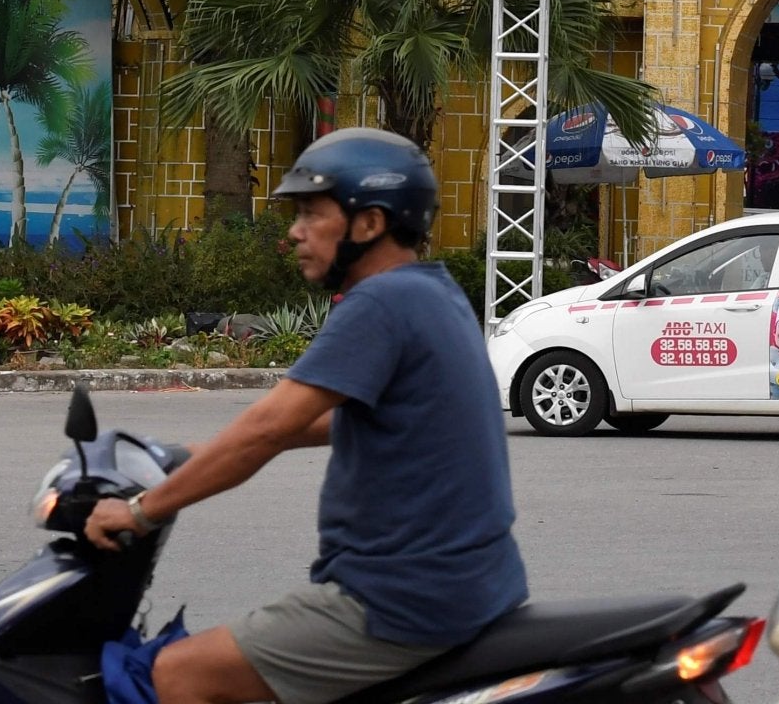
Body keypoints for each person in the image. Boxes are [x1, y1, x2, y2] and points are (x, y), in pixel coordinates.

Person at [82, 129, 525, 704]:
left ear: (368, 223)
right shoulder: (434, 293)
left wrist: (141, 511)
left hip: (402, 598)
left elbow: (269, 426)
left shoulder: (379, 303)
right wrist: (189, 456)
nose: (295, 232)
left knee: (178, 673)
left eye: (312, 213)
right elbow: (350, 421)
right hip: (469, 584)